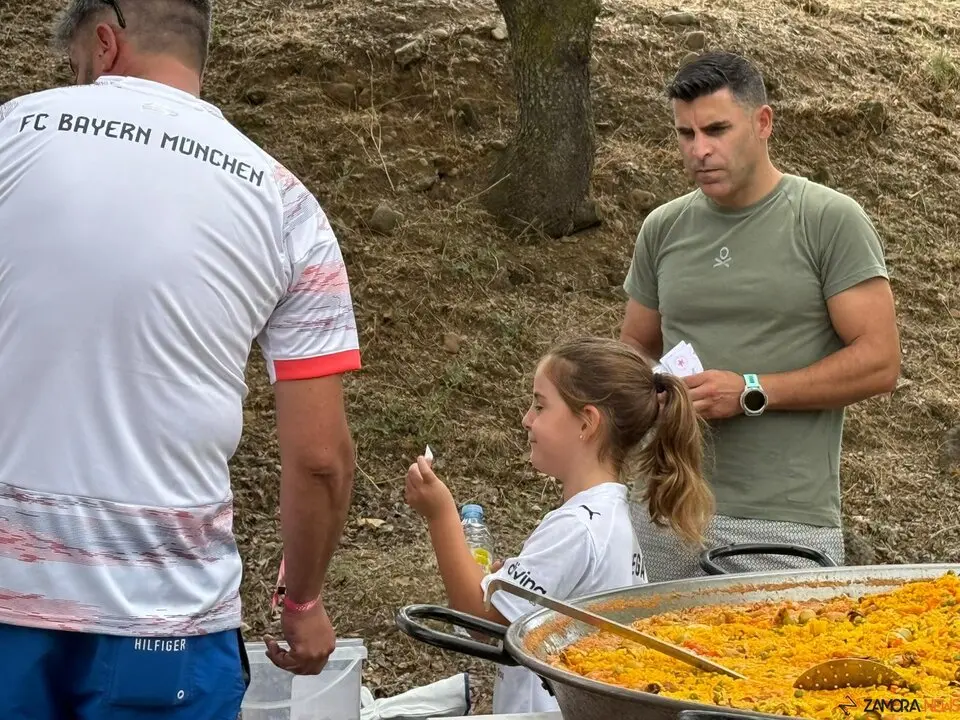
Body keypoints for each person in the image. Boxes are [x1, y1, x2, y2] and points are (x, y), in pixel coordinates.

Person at [0, 0, 360, 717]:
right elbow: (320, 458)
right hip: (167, 620)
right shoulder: (287, 204)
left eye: (75, 65)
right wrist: (302, 598)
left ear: (104, 42)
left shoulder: (12, 134)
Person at [619, 50, 901, 581]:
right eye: (686, 134)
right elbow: (635, 347)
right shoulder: (663, 228)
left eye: (717, 129)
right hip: (664, 508)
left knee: (775, 667)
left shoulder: (828, 220)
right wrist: (655, 392)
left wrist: (750, 390)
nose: (699, 150)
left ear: (763, 122)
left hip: (782, 521)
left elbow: (879, 362)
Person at [404, 336, 714, 715]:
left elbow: (481, 621)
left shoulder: (577, 528)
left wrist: (440, 516)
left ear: (586, 422)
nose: (526, 419)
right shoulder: (611, 514)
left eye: (540, 405)